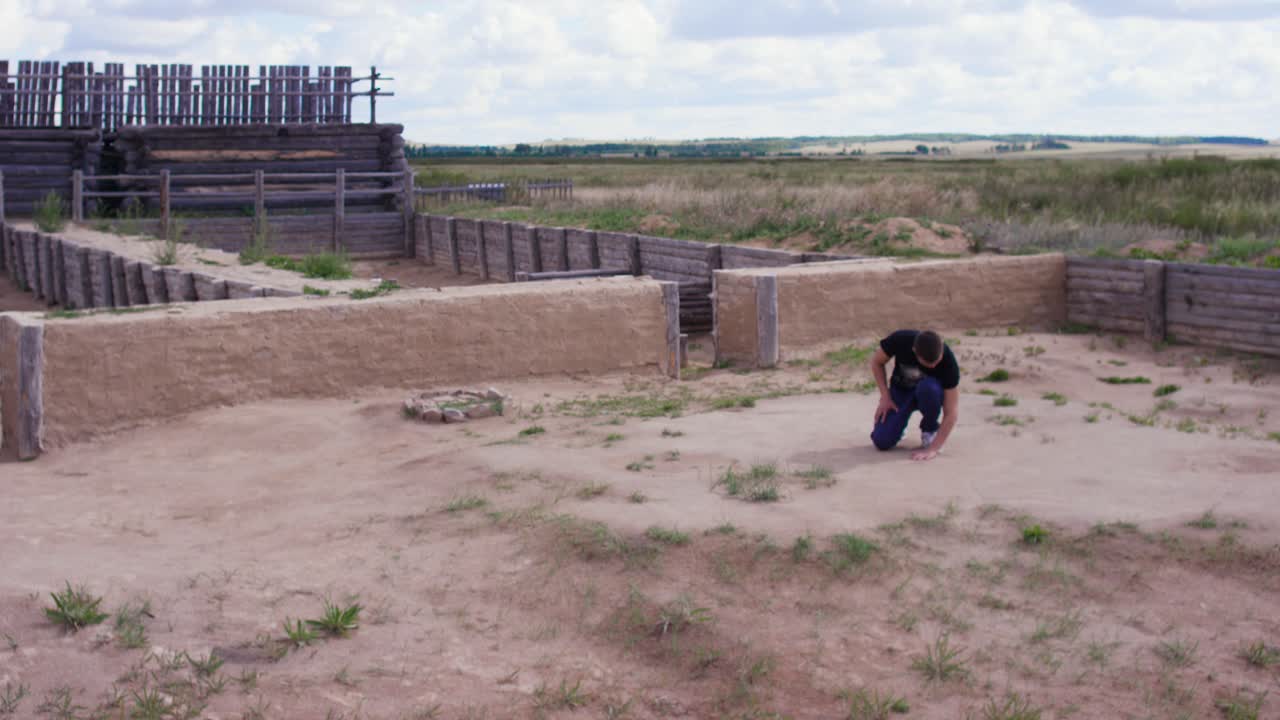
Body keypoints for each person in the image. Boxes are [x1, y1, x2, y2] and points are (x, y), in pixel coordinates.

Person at [868, 329, 959, 461]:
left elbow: (951, 412)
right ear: (915, 351)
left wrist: (933, 448)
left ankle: (929, 429)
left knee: (929, 388)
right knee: (881, 441)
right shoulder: (900, 339)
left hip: (928, 394)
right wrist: (885, 396)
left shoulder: (948, 360)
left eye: (936, 361)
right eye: (928, 363)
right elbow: (877, 362)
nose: (933, 366)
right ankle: (898, 426)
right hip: (901, 391)